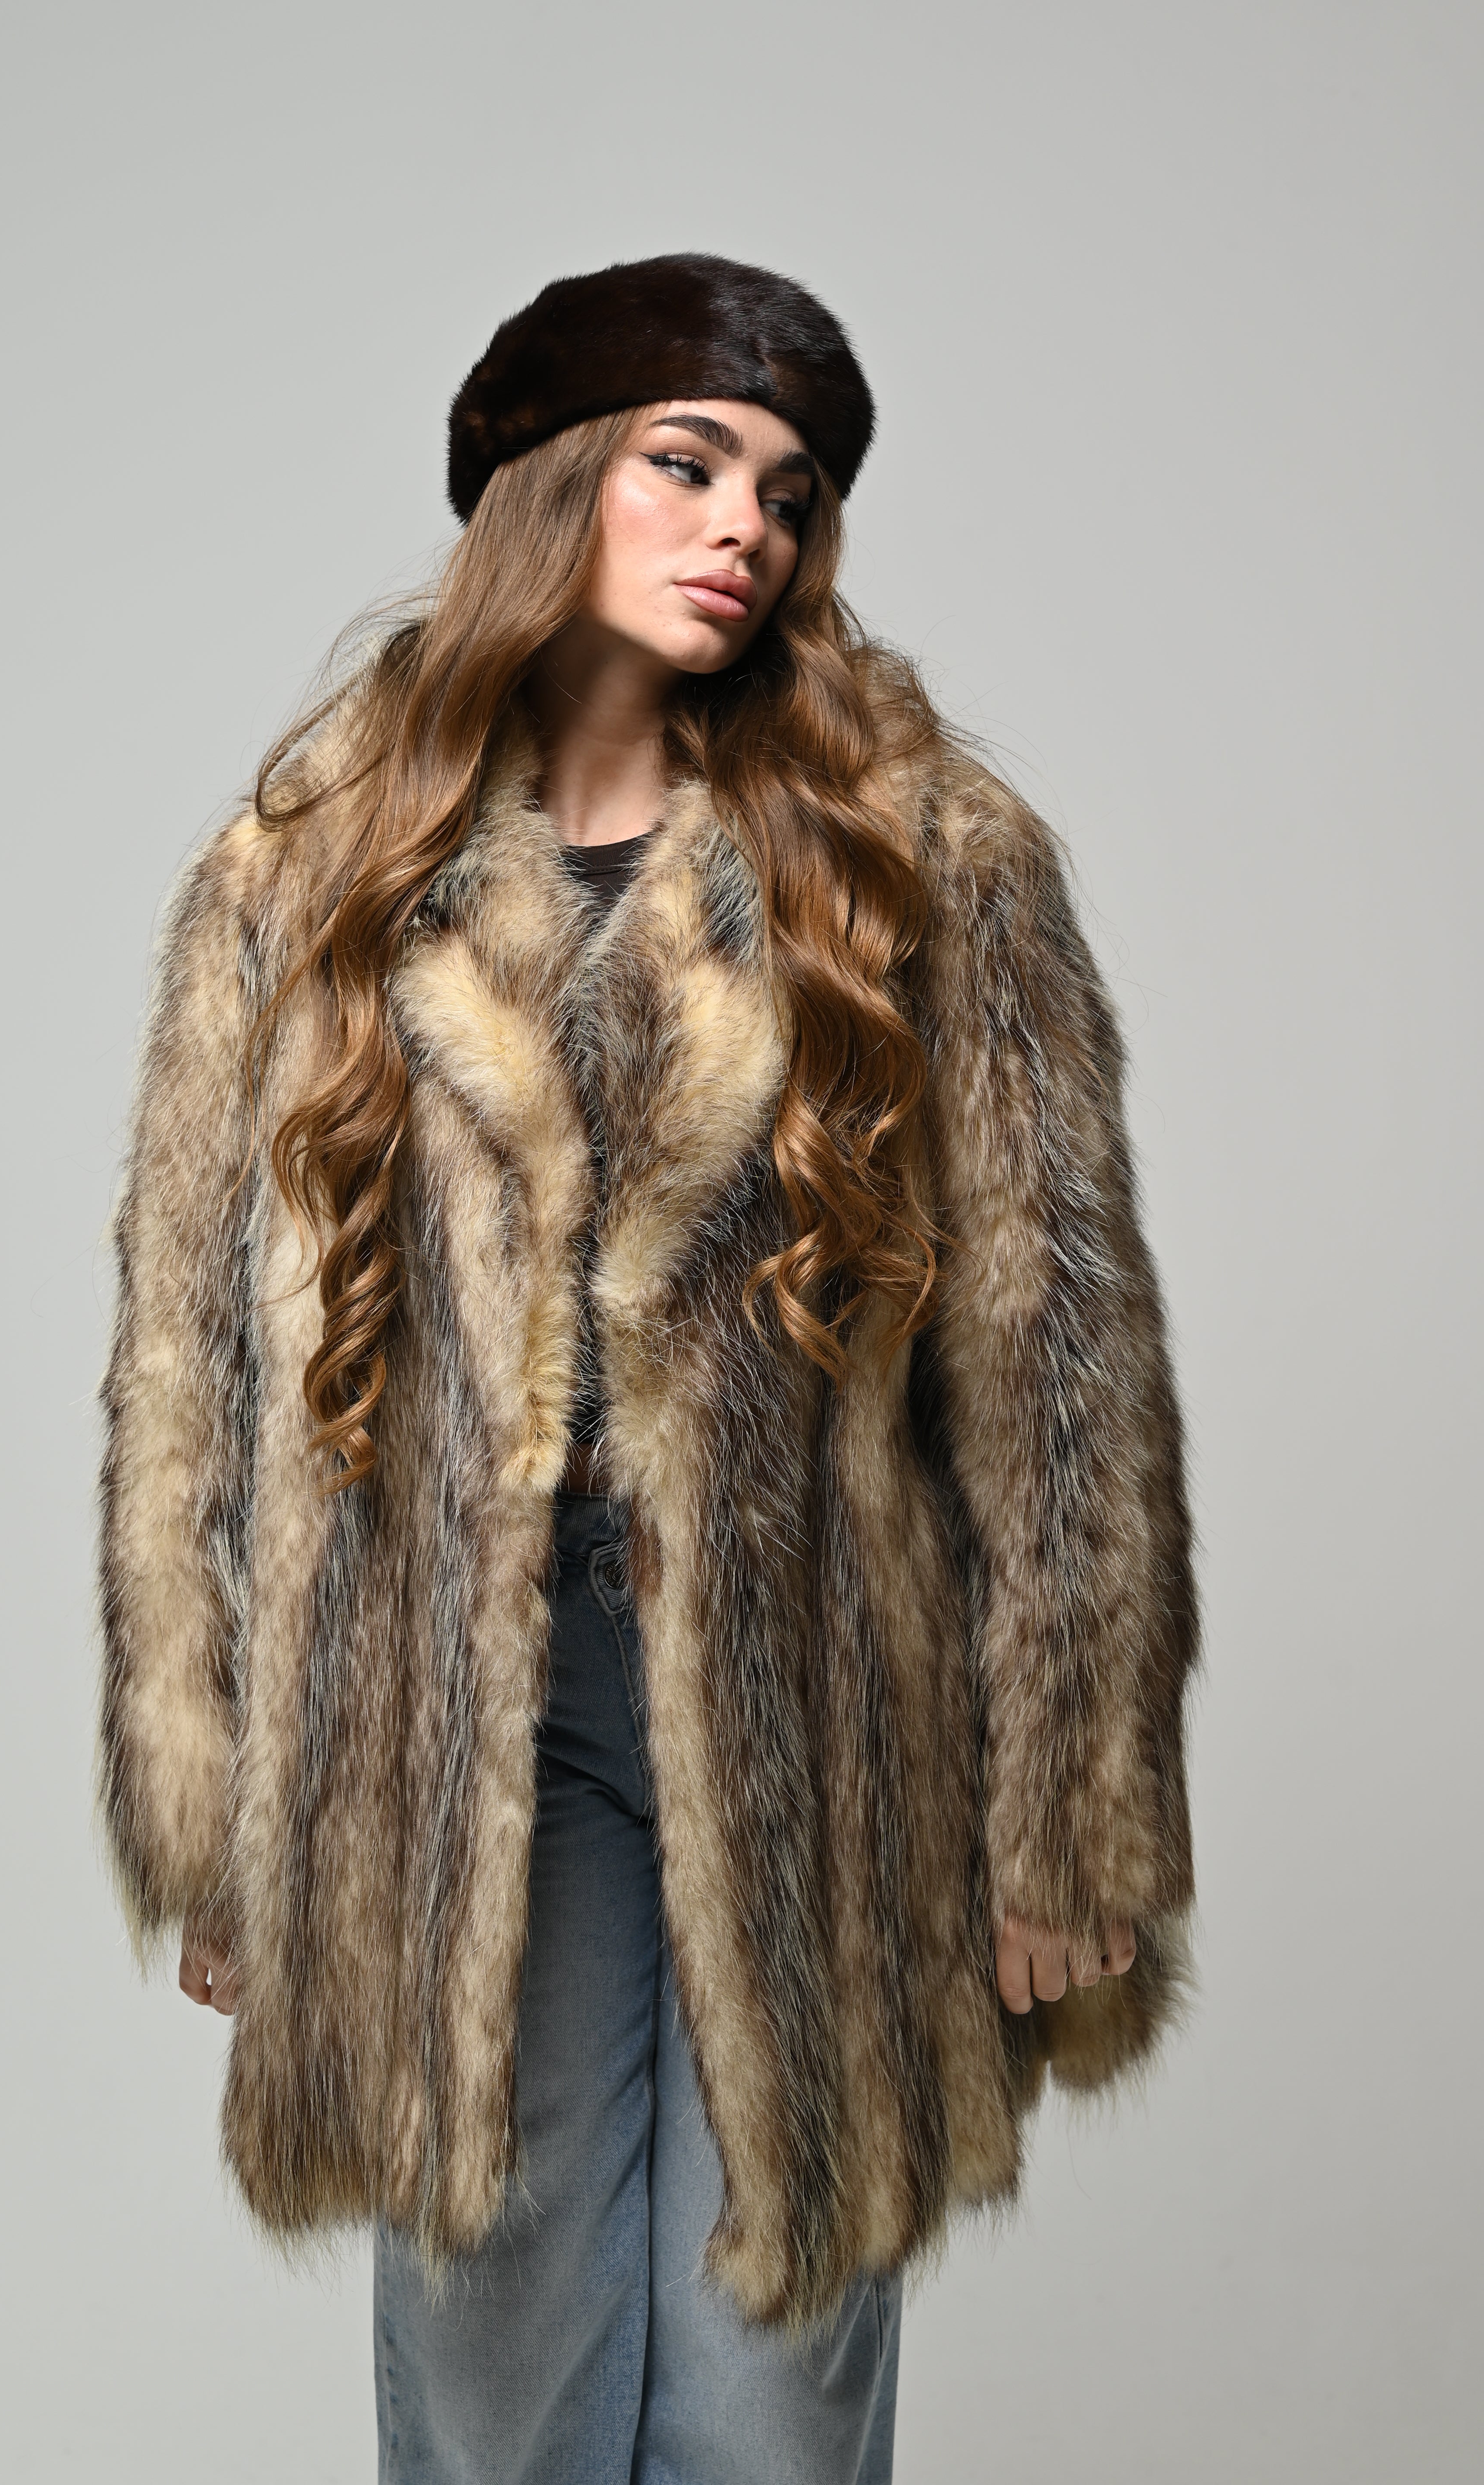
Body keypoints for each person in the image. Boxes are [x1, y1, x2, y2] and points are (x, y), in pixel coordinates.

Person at [97, 254, 1198, 2484]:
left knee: (768, 2393)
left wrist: (1070, 1799)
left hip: (820, 1695)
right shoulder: (311, 875)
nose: (743, 530)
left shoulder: (918, 858)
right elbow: (188, 1364)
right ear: (546, 478)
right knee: (492, 2386)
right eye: (688, 466)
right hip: (439, 1716)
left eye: (785, 492)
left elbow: (1061, 1360)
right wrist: (218, 1805)